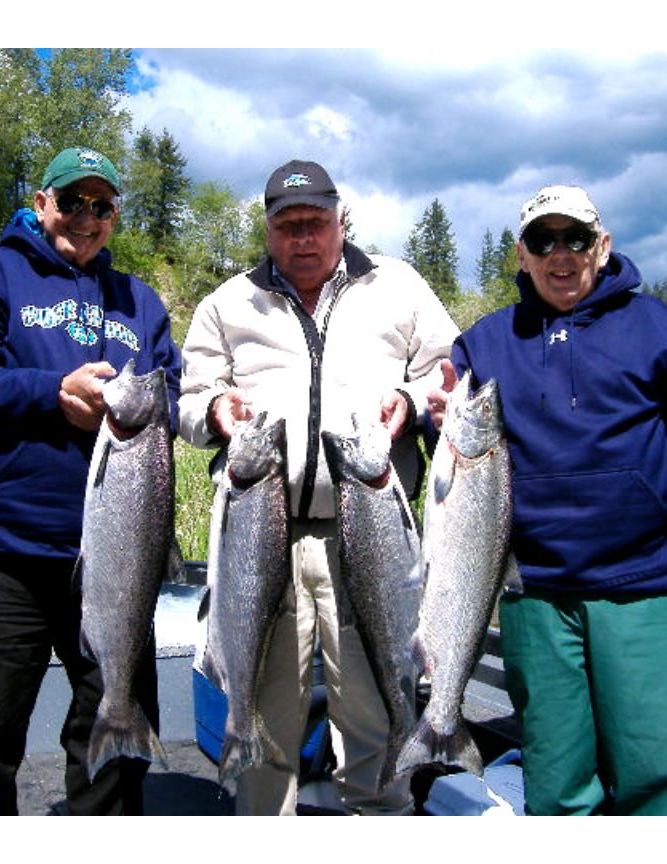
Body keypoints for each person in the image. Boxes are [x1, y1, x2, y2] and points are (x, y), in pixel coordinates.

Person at [427, 185, 667, 815]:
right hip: (536, 595)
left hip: (650, 588)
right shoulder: (486, 343)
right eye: (542, 241)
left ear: (601, 247)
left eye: (575, 238)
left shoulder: (657, 329)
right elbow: (451, 455)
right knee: (556, 781)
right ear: (522, 255)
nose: (560, 254)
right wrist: (431, 417)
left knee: (657, 777)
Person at [179, 159, 459, 815]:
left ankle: (379, 816)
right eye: (287, 224)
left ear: (340, 221)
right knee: (266, 714)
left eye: (316, 222)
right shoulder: (227, 303)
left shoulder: (399, 286)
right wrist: (217, 411)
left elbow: (450, 376)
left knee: (372, 712)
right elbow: (188, 405)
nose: (302, 237)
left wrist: (411, 401)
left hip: (372, 537)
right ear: (269, 228)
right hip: (259, 535)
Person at [0, 147, 181, 815]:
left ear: (114, 215)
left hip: (118, 560)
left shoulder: (139, 304)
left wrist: (146, 407)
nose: (85, 219)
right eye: (72, 203)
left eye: (101, 207)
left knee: (115, 746)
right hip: (3, 554)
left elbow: (172, 394)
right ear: (42, 204)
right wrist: (48, 391)